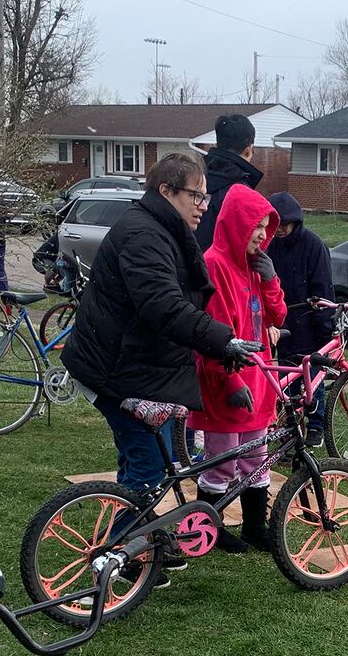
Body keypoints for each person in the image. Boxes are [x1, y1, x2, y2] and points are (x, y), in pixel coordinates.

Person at [61, 153, 255, 503]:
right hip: (121, 372)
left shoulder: (160, 228)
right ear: (166, 191)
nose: (204, 206)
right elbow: (163, 307)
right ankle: (120, 553)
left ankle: (142, 544)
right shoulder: (144, 235)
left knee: (144, 463)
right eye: (196, 196)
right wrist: (223, 340)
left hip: (141, 368)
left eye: (206, 197)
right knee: (149, 471)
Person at [191, 187, 286, 552]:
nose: (262, 235)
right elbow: (211, 332)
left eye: (266, 227)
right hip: (226, 379)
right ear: (236, 225)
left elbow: (277, 317)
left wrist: (271, 279)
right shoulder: (215, 263)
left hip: (257, 378)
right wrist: (229, 379)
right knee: (221, 462)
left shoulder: (254, 267)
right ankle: (206, 530)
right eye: (256, 226)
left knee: (255, 458)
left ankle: (254, 526)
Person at [266, 191, 335, 446]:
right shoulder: (268, 246)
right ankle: (290, 427)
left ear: (296, 222)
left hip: (308, 324)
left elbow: (323, 290)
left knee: (311, 380)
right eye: (277, 224)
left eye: (285, 224)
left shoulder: (314, 246)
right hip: (280, 325)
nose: (281, 230)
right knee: (285, 381)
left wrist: (324, 328)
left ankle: (315, 426)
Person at [195, 113, 263, 251]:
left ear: (217, 144)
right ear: (249, 149)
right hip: (222, 269)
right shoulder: (241, 193)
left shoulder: (192, 180)